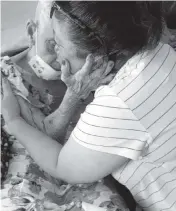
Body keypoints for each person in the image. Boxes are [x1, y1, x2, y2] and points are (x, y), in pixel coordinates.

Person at [1, 1, 176, 211]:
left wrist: (14, 120)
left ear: (98, 58)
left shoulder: (121, 100)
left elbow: (63, 166)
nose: (58, 56)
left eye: (59, 44)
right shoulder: (158, 50)